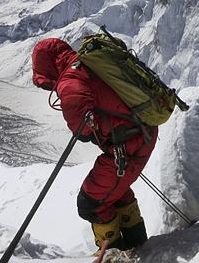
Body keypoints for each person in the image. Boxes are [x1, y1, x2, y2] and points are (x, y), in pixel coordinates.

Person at [31, 37, 156, 252]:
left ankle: (115, 255)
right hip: (138, 136)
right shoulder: (87, 63)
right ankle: (139, 248)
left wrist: (90, 130)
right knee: (115, 194)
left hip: (129, 144)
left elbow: (81, 126)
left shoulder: (70, 81)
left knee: (91, 204)